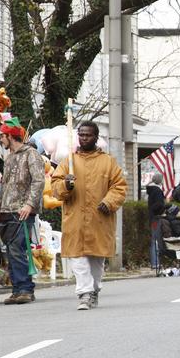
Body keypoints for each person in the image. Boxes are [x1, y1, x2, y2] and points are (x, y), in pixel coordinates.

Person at [51, 121, 127, 310]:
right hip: (75, 218)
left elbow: (119, 187)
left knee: (96, 259)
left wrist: (108, 202)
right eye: (81, 135)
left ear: (96, 137)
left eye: (88, 135)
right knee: (78, 258)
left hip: (99, 219)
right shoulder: (68, 161)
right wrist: (66, 185)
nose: (84, 138)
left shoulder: (108, 162)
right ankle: (84, 293)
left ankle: (94, 290)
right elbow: (55, 188)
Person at [0, 118, 44, 305]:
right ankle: (17, 289)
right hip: (7, 211)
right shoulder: (9, 158)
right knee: (11, 251)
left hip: (23, 211)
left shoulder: (31, 154)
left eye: (2, 136)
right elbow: (4, 186)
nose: (0, 140)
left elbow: (38, 181)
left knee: (17, 250)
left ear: (10, 136)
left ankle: (25, 289)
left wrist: (29, 205)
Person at [146, 172, 166, 271]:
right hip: (156, 218)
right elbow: (159, 204)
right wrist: (162, 209)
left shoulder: (151, 190)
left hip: (152, 217)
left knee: (154, 240)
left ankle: (155, 262)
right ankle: (155, 263)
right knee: (155, 240)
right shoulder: (157, 191)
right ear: (159, 180)